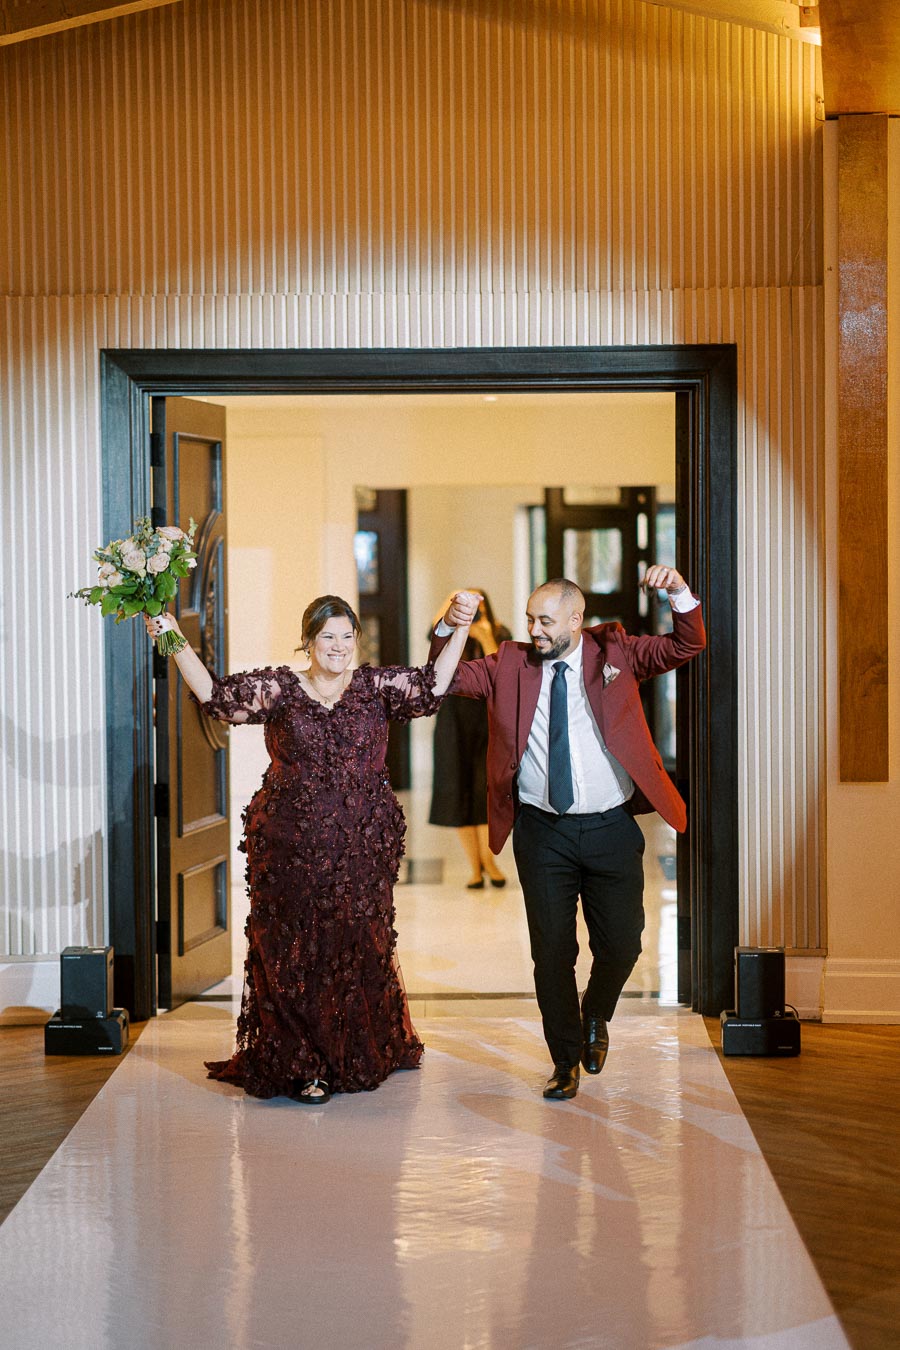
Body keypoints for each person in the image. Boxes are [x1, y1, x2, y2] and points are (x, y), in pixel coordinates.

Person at [145, 589, 480, 1105]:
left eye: (347, 636)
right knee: (294, 948)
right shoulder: (281, 689)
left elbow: (431, 688)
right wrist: (171, 636)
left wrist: (460, 627)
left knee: (355, 942)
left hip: (363, 844)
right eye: (328, 636)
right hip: (288, 845)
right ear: (308, 641)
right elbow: (217, 699)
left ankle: (357, 1048)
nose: (339, 646)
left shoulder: (374, 688)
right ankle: (304, 1064)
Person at [429, 567, 706, 1102]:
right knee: (552, 952)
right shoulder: (508, 664)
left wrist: (677, 592)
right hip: (543, 831)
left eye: (545, 621)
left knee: (622, 943)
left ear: (576, 620)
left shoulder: (615, 653)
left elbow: (687, 642)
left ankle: (595, 1015)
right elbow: (442, 681)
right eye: (531, 618)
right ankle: (564, 1060)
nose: (534, 629)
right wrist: (450, 628)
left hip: (610, 828)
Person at [428, 591, 511, 889]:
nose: (474, 614)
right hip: (453, 722)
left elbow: (502, 669)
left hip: (487, 722)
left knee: (484, 792)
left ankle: (490, 861)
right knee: (457, 791)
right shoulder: (452, 630)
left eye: (478, 608)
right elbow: (434, 637)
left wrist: (485, 633)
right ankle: (474, 867)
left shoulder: (499, 632)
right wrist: (451, 603)